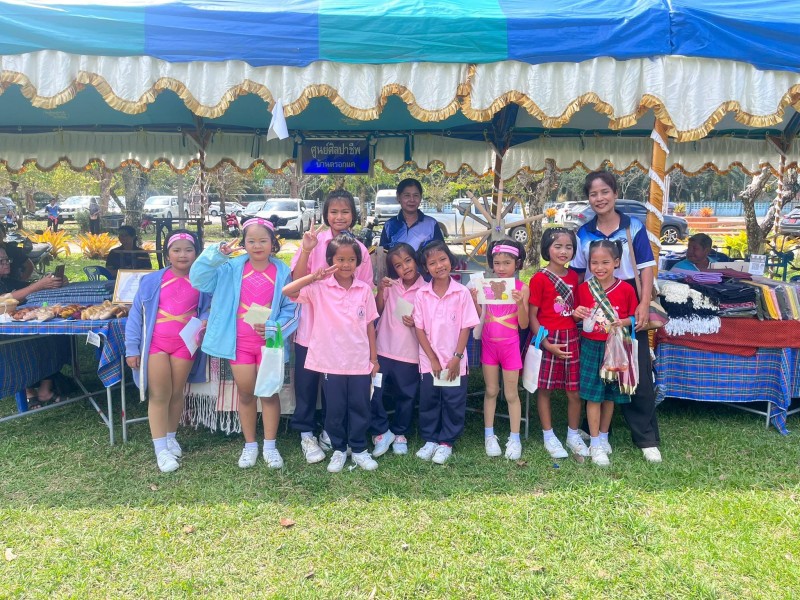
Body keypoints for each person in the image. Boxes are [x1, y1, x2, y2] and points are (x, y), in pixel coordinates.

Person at [191, 218, 299, 469]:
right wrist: (216, 255)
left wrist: (275, 327)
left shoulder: (282, 271)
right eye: (251, 241)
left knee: (269, 393)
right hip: (238, 343)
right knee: (246, 393)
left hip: (269, 344)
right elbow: (199, 279)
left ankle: (270, 445)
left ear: (273, 243)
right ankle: (250, 444)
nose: (257, 246)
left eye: (263, 240)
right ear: (244, 243)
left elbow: (291, 307)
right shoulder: (229, 268)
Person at [571, 171, 662, 463]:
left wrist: (644, 303)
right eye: (593, 194)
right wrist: (574, 307)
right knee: (598, 371)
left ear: (615, 193)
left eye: (605, 192)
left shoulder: (633, 226)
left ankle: (645, 437)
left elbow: (646, 267)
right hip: (595, 306)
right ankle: (597, 432)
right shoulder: (584, 232)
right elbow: (577, 272)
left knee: (636, 370)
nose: (600, 198)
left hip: (627, 304)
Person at [283, 234, 381, 473]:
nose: (346, 265)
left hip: (359, 361)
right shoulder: (319, 288)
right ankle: (338, 449)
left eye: (351, 260)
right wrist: (313, 276)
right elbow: (288, 291)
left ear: (358, 262)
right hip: (330, 361)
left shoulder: (364, 290)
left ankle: (359, 449)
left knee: (360, 405)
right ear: (330, 261)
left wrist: (374, 359)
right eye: (340, 259)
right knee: (335, 408)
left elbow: (369, 324)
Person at [125, 230, 211, 473]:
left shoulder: (203, 282)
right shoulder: (152, 281)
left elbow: (208, 307)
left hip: (185, 344)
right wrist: (131, 348)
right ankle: (160, 449)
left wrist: (205, 318)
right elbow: (136, 315)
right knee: (159, 395)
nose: (183, 255)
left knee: (176, 392)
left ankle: (171, 436)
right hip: (157, 344)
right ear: (167, 254)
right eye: (176, 250)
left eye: (189, 250)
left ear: (197, 253)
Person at [413, 240, 480, 465]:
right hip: (429, 361)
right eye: (432, 263)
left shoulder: (461, 293)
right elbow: (419, 328)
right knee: (429, 400)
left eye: (442, 259)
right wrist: (432, 358)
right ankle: (430, 439)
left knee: (453, 400)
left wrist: (457, 358)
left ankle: (446, 442)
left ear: (450, 261)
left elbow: (466, 327)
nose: (439, 265)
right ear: (425, 268)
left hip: (454, 360)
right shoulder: (422, 294)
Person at [573, 240, 639, 466]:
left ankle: (603, 436)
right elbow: (576, 315)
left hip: (616, 347)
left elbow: (635, 317)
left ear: (617, 262)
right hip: (591, 346)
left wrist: (624, 322)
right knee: (593, 395)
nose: (599, 267)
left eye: (605, 262)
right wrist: (577, 313)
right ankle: (594, 443)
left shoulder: (626, 289)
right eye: (594, 263)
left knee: (610, 395)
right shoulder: (584, 288)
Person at [528, 228, 587, 459]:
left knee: (574, 391)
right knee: (545, 390)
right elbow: (533, 316)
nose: (563, 251)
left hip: (571, 338)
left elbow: (572, 312)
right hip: (547, 339)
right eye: (558, 246)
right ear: (547, 249)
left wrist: (579, 314)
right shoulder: (539, 278)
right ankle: (548, 435)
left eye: (568, 247)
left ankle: (573, 434)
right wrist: (545, 344)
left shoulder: (574, 278)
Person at [470, 239, 529, 460]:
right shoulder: (486, 286)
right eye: (497, 263)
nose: (501, 268)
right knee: (491, 390)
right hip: (489, 345)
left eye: (507, 263)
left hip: (510, 345)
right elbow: (481, 317)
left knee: (511, 393)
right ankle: (489, 434)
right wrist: (475, 301)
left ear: (517, 264)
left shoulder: (522, 288)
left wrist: (520, 303)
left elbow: (524, 324)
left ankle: (514, 438)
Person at [370, 242, 424, 457]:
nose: (405, 267)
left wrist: (416, 323)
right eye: (398, 265)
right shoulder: (391, 286)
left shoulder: (426, 290)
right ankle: (381, 431)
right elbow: (378, 310)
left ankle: (400, 432)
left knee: (406, 395)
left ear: (416, 260)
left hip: (409, 354)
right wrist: (381, 290)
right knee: (375, 391)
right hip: (383, 349)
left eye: (408, 261)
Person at [0, 245, 67, 407]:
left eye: (7, 259)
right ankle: (28, 390)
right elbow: (6, 298)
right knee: (21, 348)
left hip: (16, 327)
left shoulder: (5, 280)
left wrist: (52, 283)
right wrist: (38, 285)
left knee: (55, 336)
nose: (6, 263)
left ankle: (44, 389)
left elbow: (26, 288)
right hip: (5, 335)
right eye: (1, 261)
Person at [379, 178, 445, 251]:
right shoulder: (389, 225)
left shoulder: (431, 224)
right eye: (407, 195)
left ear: (420, 197)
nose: (412, 200)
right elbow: (383, 253)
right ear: (398, 197)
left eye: (416, 195)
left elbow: (441, 252)